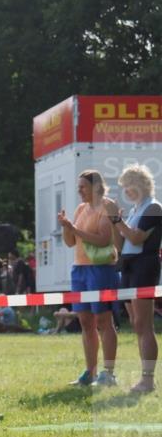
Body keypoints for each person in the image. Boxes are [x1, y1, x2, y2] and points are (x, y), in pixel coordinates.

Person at [57, 169, 119, 387]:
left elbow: (103, 240)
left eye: (82, 186)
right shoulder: (81, 208)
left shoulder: (108, 206)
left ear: (95, 187)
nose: (79, 190)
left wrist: (75, 229)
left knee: (103, 321)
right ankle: (90, 372)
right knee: (85, 321)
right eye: (78, 186)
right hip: (79, 269)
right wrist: (67, 228)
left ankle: (108, 373)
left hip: (101, 269)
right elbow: (70, 242)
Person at [105, 163, 161, 393]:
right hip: (127, 267)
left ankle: (148, 380)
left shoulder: (153, 208)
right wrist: (113, 222)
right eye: (124, 186)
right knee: (136, 325)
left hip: (144, 266)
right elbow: (121, 244)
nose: (127, 190)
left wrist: (119, 222)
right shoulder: (135, 209)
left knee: (144, 325)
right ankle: (144, 379)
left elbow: (136, 238)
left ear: (142, 184)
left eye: (130, 185)